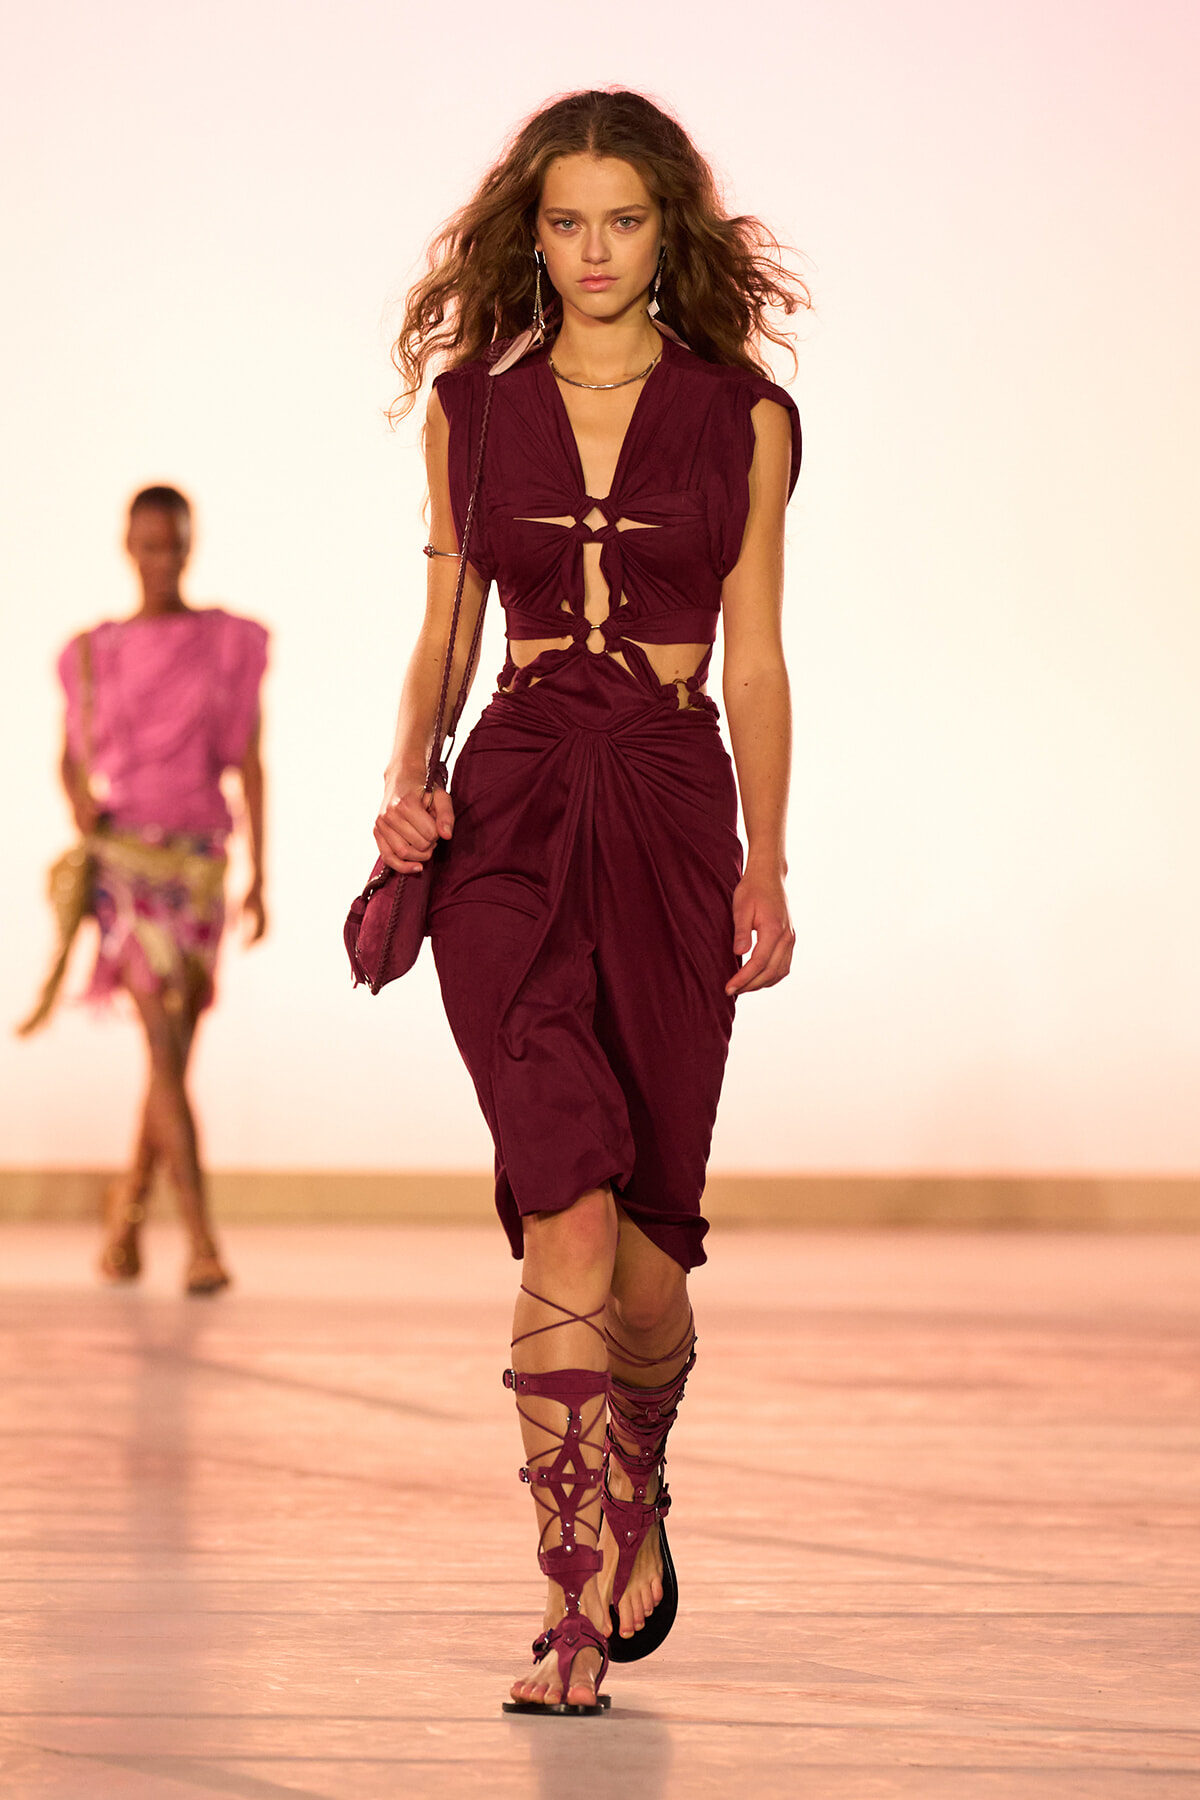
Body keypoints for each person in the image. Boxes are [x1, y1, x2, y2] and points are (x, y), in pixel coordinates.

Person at [373, 89, 806, 1714]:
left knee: (650, 1235)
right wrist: (411, 773)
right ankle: (568, 1604)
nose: (596, 251)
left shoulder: (745, 418)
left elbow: (755, 656)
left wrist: (769, 855)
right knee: (561, 1186)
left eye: (624, 220)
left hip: (677, 805)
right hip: (511, 804)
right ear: (530, 236)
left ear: (665, 230)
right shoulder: (470, 411)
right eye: (567, 221)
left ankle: (640, 1468)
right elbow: (446, 624)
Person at [53, 485, 268, 1295]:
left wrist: (262, 876)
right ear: (127, 544)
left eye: (172, 543)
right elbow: (68, 757)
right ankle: (203, 1243)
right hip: (127, 873)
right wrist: (78, 798)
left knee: (172, 1055)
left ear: (189, 543)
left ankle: (127, 1220)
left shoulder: (225, 643)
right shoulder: (94, 652)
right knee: (164, 1052)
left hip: (202, 867)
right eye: (147, 544)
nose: (159, 558)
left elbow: (250, 761)